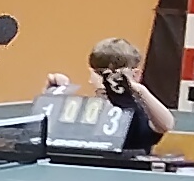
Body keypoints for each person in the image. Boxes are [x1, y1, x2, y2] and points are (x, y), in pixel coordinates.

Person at [37, 38, 177, 154]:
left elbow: (166, 125)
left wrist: (139, 90)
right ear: (91, 75)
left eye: (115, 74)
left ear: (136, 75)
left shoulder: (140, 113)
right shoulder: (83, 111)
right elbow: (48, 132)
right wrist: (53, 95)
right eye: (100, 73)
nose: (107, 80)